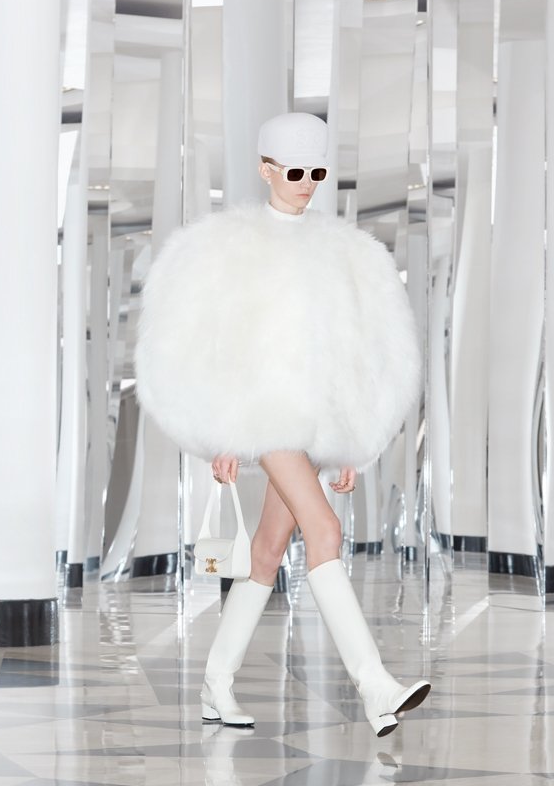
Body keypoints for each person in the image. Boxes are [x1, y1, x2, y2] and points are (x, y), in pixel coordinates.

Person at [134, 112, 430, 738]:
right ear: (266, 168)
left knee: (267, 554)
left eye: (317, 172)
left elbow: (356, 353)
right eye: (295, 171)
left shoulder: (342, 251)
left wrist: (355, 439)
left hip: (313, 426)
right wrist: (220, 435)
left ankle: (216, 684)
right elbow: (203, 344)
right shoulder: (228, 246)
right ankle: (375, 687)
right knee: (323, 529)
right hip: (262, 419)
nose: (306, 183)